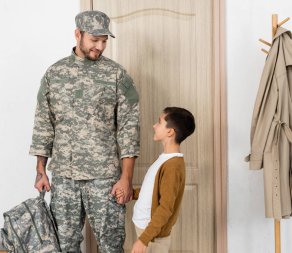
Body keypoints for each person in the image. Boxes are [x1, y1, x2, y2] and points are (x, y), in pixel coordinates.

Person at [29, 10, 140, 253]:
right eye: (94, 39)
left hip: (104, 176)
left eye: (104, 41)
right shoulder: (54, 74)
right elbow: (44, 125)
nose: (99, 47)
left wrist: (126, 178)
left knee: (111, 246)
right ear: (78, 34)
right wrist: (41, 171)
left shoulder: (117, 75)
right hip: (64, 177)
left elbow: (129, 128)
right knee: (65, 246)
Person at [122, 107, 195, 253]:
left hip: (152, 235)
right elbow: (154, 192)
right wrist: (131, 194)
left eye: (159, 122)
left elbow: (165, 208)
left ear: (170, 131)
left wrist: (143, 240)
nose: (154, 125)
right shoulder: (164, 159)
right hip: (146, 229)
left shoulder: (173, 166)